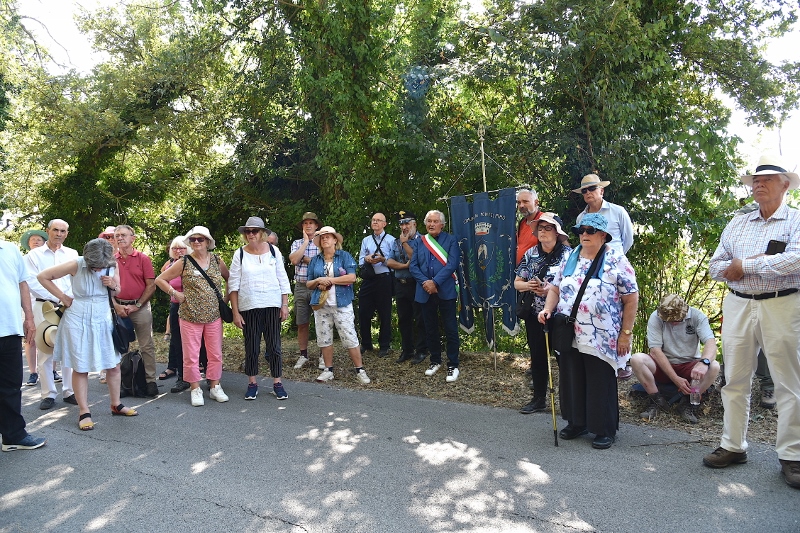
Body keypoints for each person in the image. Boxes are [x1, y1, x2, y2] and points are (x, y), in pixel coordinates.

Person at [702, 154, 800, 490]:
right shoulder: (738, 223)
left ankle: (792, 455)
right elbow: (716, 267)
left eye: (767, 179)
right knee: (735, 379)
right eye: (755, 180)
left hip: (783, 304)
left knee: (789, 383)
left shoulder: (796, 220)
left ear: (785, 185)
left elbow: (796, 260)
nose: (758, 184)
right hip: (739, 303)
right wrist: (758, 264)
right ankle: (733, 445)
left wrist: (745, 265)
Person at [539, 213, 639, 449]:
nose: (584, 234)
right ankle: (577, 422)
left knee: (599, 380)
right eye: (580, 230)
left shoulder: (616, 259)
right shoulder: (571, 256)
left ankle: (604, 429)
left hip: (602, 336)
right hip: (569, 331)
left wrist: (626, 334)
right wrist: (547, 309)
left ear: (603, 235)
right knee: (572, 377)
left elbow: (631, 298)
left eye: (590, 230)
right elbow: (555, 288)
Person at [37, 238, 138, 431]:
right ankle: (84, 411)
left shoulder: (112, 264)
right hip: (78, 319)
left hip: (103, 317)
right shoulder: (76, 264)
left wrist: (112, 285)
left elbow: (118, 290)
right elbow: (43, 276)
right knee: (80, 366)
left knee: (113, 364)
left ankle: (116, 404)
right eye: (95, 266)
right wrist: (63, 297)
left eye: (101, 266)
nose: (98, 269)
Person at [155, 226, 230, 406]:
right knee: (191, 355)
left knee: (215, 353)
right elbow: (160, 280)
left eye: (200, 239)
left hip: (213, 316)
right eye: (193, 239)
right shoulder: (184, 262)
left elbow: (230, 279)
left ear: (208, 242)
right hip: (189, 316)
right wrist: (175, 293)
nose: (196, 242)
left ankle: (215, 386)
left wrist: (225, 300)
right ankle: (195, 388)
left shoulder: (217, 260)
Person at [514, 212, 571, 414]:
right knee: (538, 357)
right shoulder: (530, 254)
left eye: (548, 228)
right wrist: (529, 286)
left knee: (565, 359)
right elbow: (517, 282)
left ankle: (569, 403)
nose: (543, 232)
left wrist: (551, 290)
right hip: (535, 314)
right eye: (540, 228)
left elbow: (575, 286)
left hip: (561, 316)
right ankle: (538, 399)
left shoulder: (569, 255)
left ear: (557, 232)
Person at [631, 294, 720, 424]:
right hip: (663, 365)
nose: (673, 322)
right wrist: (675, 379)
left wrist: (703, 362)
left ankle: (688, 403)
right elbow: (655, 351)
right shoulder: (655, 317)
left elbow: (711, 343)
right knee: (636, 359)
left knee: (714, 366)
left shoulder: (697, 316)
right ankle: (657, 401)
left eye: (677, 319)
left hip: (689, 365)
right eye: (668, 320)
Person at [229, 217, 291, 400]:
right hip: (249, 306)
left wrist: (285, 304)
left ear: (262, 233)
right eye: (247, 231)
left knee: (274, 346)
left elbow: (282, 278)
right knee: (252, 347)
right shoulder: (239, 254)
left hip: (272, 304)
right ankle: (252, 383)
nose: (251, 234)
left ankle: (277, 383)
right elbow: (233, 285)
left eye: (254, 231)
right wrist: (235, 312)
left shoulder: (273, 250)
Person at [306, 226, 371, 384]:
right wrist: (318, 281)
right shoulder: (315, 260)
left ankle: (360, 370)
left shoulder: (344, 256)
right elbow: (308, 283)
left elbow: (352, 277)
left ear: (335, 240)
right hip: (321, 305)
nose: (325, 239)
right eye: (322, 237)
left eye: (328, 236)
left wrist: (330, 280)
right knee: (324, 338)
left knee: (349, 336)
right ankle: (328, 370)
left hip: (342, 304)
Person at [24, 219, 78, 410]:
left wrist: (68, 298)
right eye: (55, 230)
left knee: (69, 349)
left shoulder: (72, 254)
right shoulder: (34, 255)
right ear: (48, 231)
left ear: (67, 234)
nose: (59, 234)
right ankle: (48, 393)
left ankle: (69, 390)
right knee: (45, 349)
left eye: (63, 231)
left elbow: (76, 280)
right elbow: (32, 282)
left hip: (69, 306)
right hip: (44, 306)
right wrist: (59, 297)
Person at [0, 237, 46, 451]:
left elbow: (22, 283)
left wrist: (29, 317)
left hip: (9, 329)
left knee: (11, 386)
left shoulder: (9, 248)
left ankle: (13, 436)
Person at [409, 210, 461, 382]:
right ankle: (435, 360)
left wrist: (435, 282)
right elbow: (413, 266)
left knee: (450, 328)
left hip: (445, 290)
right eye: (429, 221)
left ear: (442, 225)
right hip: (425, 291)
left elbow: (452, 264)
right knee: (430, 328)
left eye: (435, 221)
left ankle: (453, 364)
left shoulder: (451, 240)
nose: (431, 224)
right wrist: (426, 282)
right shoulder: (420, 241)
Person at [113, 225, 158, 398]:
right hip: (118, 307)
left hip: (140, 307)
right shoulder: (111, 260)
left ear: (133, 238)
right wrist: (116, 306)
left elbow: (151, 286)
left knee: (146, 345)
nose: (120, 238)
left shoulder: (143, 258)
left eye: (123, 235)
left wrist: (137, 305)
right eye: (117, 235)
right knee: (119, 346)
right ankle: (123, 382)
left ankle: (150, 381)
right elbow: (105, 287)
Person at [386, 210, 428, 365]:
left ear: (414, 224)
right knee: (403, 319)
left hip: (416, 284)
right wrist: (404, 266)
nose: (404, 227)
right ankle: (407, 350)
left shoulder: (422, 240)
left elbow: (417, 259)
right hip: (400, 284)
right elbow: (389, 262)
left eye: (407, 223)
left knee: (420, 318)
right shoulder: (396, 242)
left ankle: (422, 350)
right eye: (401, 224)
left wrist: (405, 243)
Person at [358, 212, 396, 357]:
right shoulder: (366, 240)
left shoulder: (391, 240)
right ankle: (366, 344)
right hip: (369, 279)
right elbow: (360, 260)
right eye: (373, 220)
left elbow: (395, 262)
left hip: (384, 279)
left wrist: (383, 260)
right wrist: (367, 259)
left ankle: (384, 345)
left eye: (378, 220)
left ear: (384, 224)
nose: (375, 222)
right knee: (363, 312)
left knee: (385, 313)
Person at [289, 212, 322, 369]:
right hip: (301, 287)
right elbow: (295, 260)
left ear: (316, 226)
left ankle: (323, 356)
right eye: (305, 223)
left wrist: (307, 259)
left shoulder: (322, 242)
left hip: (318, 287)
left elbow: (324, 265)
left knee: (322, 322)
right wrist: (306, 242)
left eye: (311, 223)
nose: (308, 225)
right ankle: (303, 355)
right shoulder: (297, 243)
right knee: (302, 323)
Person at [574, 174, 634, 255]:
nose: (588, 192)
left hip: (615, 260)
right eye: (584, 190)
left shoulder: (618, 211)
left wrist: (617, 257)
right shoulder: (580, 218)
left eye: (592, 188)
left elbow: (628, 240)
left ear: (601, 191)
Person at [19, 229, 48, 387]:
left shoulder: (48, 258)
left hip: (48, 302)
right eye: (33, 240)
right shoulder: (23, 259)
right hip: (29, 302)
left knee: (49, 337)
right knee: (31, 338)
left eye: (39, 239)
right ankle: (33, 372)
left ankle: (52, 370)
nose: (36, 241)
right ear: (28, 244)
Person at [97, 226, 117, 384]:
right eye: (106, 237)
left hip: (127, 303)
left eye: (112, 236)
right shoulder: (97, 258)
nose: (110, 240)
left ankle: (124, 371)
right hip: (105, 304)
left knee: (122, 338)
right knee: (105, 338)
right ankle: (104, 370)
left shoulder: (123, 255)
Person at [515, 188, 543, 266]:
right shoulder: (522, 223)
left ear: (536, 202)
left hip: (537, 270)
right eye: (519, 202)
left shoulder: (545, 220)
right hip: (521, 270)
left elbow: (563, 246)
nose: (521, 205)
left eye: (525, 201)